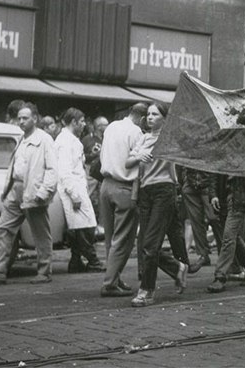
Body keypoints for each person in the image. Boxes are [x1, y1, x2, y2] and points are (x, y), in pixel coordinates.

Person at [0, 102, 58, 285]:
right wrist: (7, 190)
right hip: (16, 189)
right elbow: (15, 166)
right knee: (3, 228)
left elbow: (53, 169)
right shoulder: (22, 139)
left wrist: (43, 192)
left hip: (33, 190)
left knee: (40, 234)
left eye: (25, 118)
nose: (21, 121)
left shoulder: (44, 140)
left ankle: (44, 272)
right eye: (19, 118)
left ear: (35, 119)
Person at [128, 102, 190, 307]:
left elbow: (185, 152)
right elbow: (127, 162)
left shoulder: (170, 139)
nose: (150, 117)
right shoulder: (144, 138)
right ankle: (177, 268)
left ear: (165, 117)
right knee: (146, 242)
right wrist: (138, 155)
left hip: (164, 191)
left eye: (155, 114)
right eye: (148, 114)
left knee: (149, 244)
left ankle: (147, 290)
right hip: (146, 192)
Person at [99, 103, 146, 297]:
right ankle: (110, 283)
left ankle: (115, 278)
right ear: (142, 119)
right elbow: (140, 163)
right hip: (125, 188)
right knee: (123, 239)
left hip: (106, 185)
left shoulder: (111, 126)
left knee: (110, 237)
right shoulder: (137, 133)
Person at [55, 108, 104, 274]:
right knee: (84, 226)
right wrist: (74, 194)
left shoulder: (71, 140)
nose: (84, 125)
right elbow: (64, 171)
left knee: (82, 225)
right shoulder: (65, 142)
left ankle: (76, 261)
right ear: (73, 122)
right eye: (81, 121)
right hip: (72, 189)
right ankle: (93, 260)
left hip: (77, 187)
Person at [206, 174, 245, 293]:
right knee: (231, 235)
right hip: (229, 196)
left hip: (239, 196)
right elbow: (214, 171)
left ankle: (220, 276)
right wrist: (213, 195)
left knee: (229, 236)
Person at [177, 165, 223, 269]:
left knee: (214, 218)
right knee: (196, 221)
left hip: (206, 183)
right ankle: (203, 254)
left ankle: (222, 254)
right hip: (192, 181)